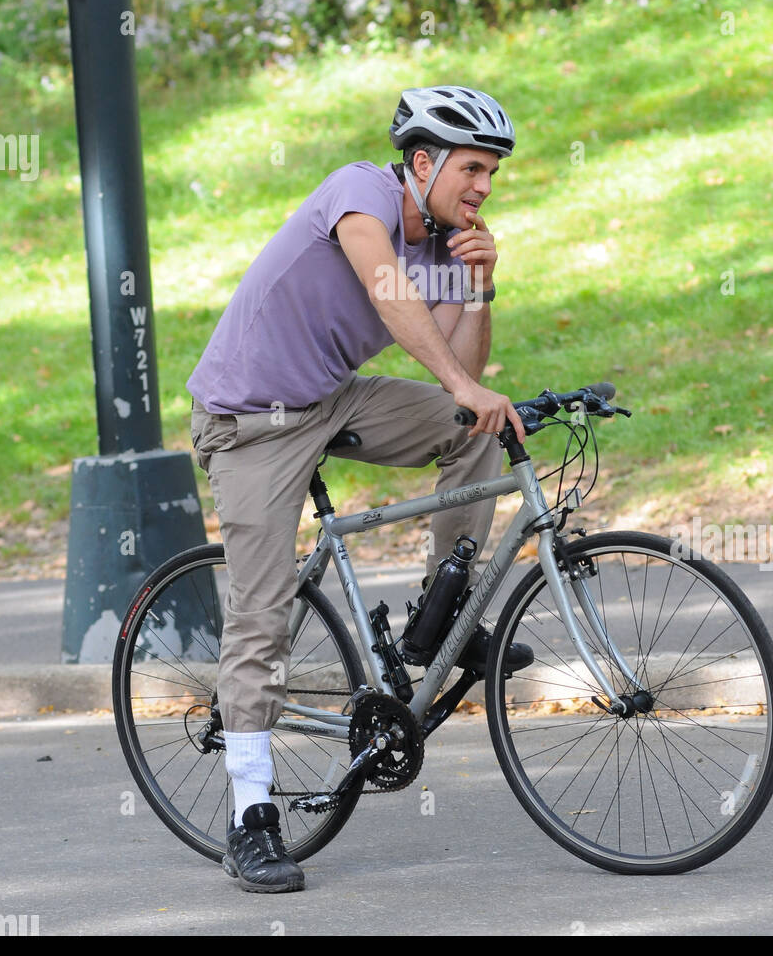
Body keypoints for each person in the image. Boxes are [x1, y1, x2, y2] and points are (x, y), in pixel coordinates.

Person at [187, 85, 529, 893]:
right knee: (261, 618)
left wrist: (479, 288)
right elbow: (385, 290)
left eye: (490, 173)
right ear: (422, 161)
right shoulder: (359, 194)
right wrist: (461, 381)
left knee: (476, 430)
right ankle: (251, 819)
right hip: (249, 420)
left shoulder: (446, 245)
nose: (482, 187)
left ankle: (442, 615)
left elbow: (462, 383)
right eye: (472, 169)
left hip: (327, 397)